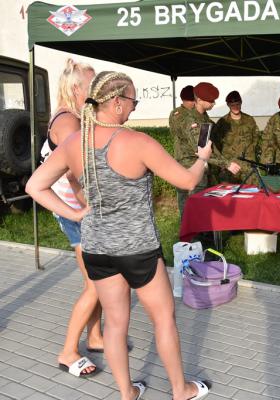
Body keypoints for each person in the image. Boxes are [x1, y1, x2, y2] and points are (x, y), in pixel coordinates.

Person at [26, 71, 210, 400]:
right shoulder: (137, 142)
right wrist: (203, 160)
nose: (135, 109)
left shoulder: (73, 144)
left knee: (114, 323)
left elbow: (34, 186)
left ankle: (127, 393)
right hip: (138, 249)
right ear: (116, 103)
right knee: (164, 319)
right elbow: (186, 181)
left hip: (97, 247)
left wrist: (76, 214)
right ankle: (180, 390)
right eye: (133, 101)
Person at [39, 59, 103, 378]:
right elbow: (78, 177)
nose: (96, 94)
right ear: (77, 88)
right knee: (97, 284)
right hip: (77, 213)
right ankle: (68, 351)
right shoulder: (68, 123)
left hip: (75, 212)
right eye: (93, 87)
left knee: (95, 280)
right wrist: (93, 210)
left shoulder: (69, 117)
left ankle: (95, 336)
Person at [172, 81, 219, 217]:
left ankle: (200, 234)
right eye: (191, 100)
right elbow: (193, 139)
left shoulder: (200, 115)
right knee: (187, 204)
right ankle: (189, 236)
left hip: (198, 162)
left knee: (199, 204)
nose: (193, 103)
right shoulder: (179, 115)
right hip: (185, 162)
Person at [210, 90, 260, 184]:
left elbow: (256, 138)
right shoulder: (222, 122)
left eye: (237, 104)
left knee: (251, 194)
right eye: (232, 105)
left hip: (248, 167)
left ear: (241, 103)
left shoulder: (249, 120)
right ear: (228, 105)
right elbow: (215, 145)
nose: (235, 107)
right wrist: (223, 164)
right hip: (230, 167)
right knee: (229, 196)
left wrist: (251, 153)